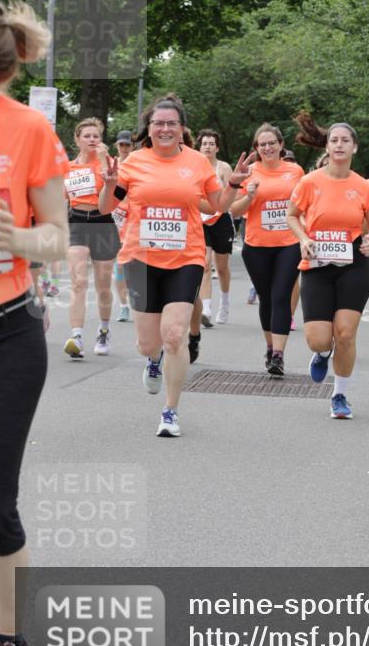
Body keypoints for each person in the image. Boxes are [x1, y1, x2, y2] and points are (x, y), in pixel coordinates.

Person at [99, 95, 254, 437]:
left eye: (172, 123)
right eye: (159, 123)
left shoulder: (198, 163)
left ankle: (170, 410)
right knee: (147, 344)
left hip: (186, 257)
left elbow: (216, 206)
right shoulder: (134, 162)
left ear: (182, 129)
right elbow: (105, 206)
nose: (165, 129)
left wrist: (233, 184)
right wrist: (109, 185)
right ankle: (153, 362)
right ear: (149, 129)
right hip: (141, 259)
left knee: (173, 336)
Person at [0, 0, 69, 646]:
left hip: (7, 333)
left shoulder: (28, 128)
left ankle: (7, 638)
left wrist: (16, 240)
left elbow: (57, 234)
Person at [287, 114, 369, 419]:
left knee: (345, 334)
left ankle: (339, 394)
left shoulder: (363, 186)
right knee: (319, 338)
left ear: (354, 147)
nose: (339, 145)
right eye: (334, 140)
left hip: (353, 263)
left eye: (345, 140)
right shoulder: (309, 182)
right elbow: (291, 215)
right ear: (327, 147)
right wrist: (302, 237)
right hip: (315, 263)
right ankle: (322, 353)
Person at [230, 124, 304, 375]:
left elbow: (304, 205)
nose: (268, 147)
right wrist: (249, 196)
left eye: (272, 143)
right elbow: (234, 211)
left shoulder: (295, 171)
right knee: (267, 298)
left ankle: (279, 356)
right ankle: (271, 347)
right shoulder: (248, 172)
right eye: (263, 144)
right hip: (257, 245)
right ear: (256, 148)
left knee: (281, 295)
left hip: (288, 243)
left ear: (281, 145)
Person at [63, 117, 120, 358]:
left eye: (96, 136)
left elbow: (115, 197)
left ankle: (104, 331)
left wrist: (108, 172)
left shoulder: (107, 164)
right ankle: (76, 336)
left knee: (103, 285)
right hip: (76, 222)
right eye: (87, 136)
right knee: (78, 281)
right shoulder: (67, 167)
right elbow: (61, 197)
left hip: (102, 223)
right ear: (77, 140)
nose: (92, 139)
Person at [195, 129, 234, 327]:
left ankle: (224, 303)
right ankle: (207, 309)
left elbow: (232, 192)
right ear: (199, 147)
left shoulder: (224, 167)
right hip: (201, 220)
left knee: (222, 268)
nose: (208, 146)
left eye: (211, 143)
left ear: (217, 147)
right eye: (205, 143)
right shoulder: (194, 167)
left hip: (221, 219)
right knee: (205, 263)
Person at [113, 131, 134, 321]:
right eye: (122, 145)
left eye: (128, 145)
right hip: (116, 216)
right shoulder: (112, 164)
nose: (124, 149)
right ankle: (123, 305)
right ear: (117, 146)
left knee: (133, 264)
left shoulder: (139, 164)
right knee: (119, 266)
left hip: (135, 217)